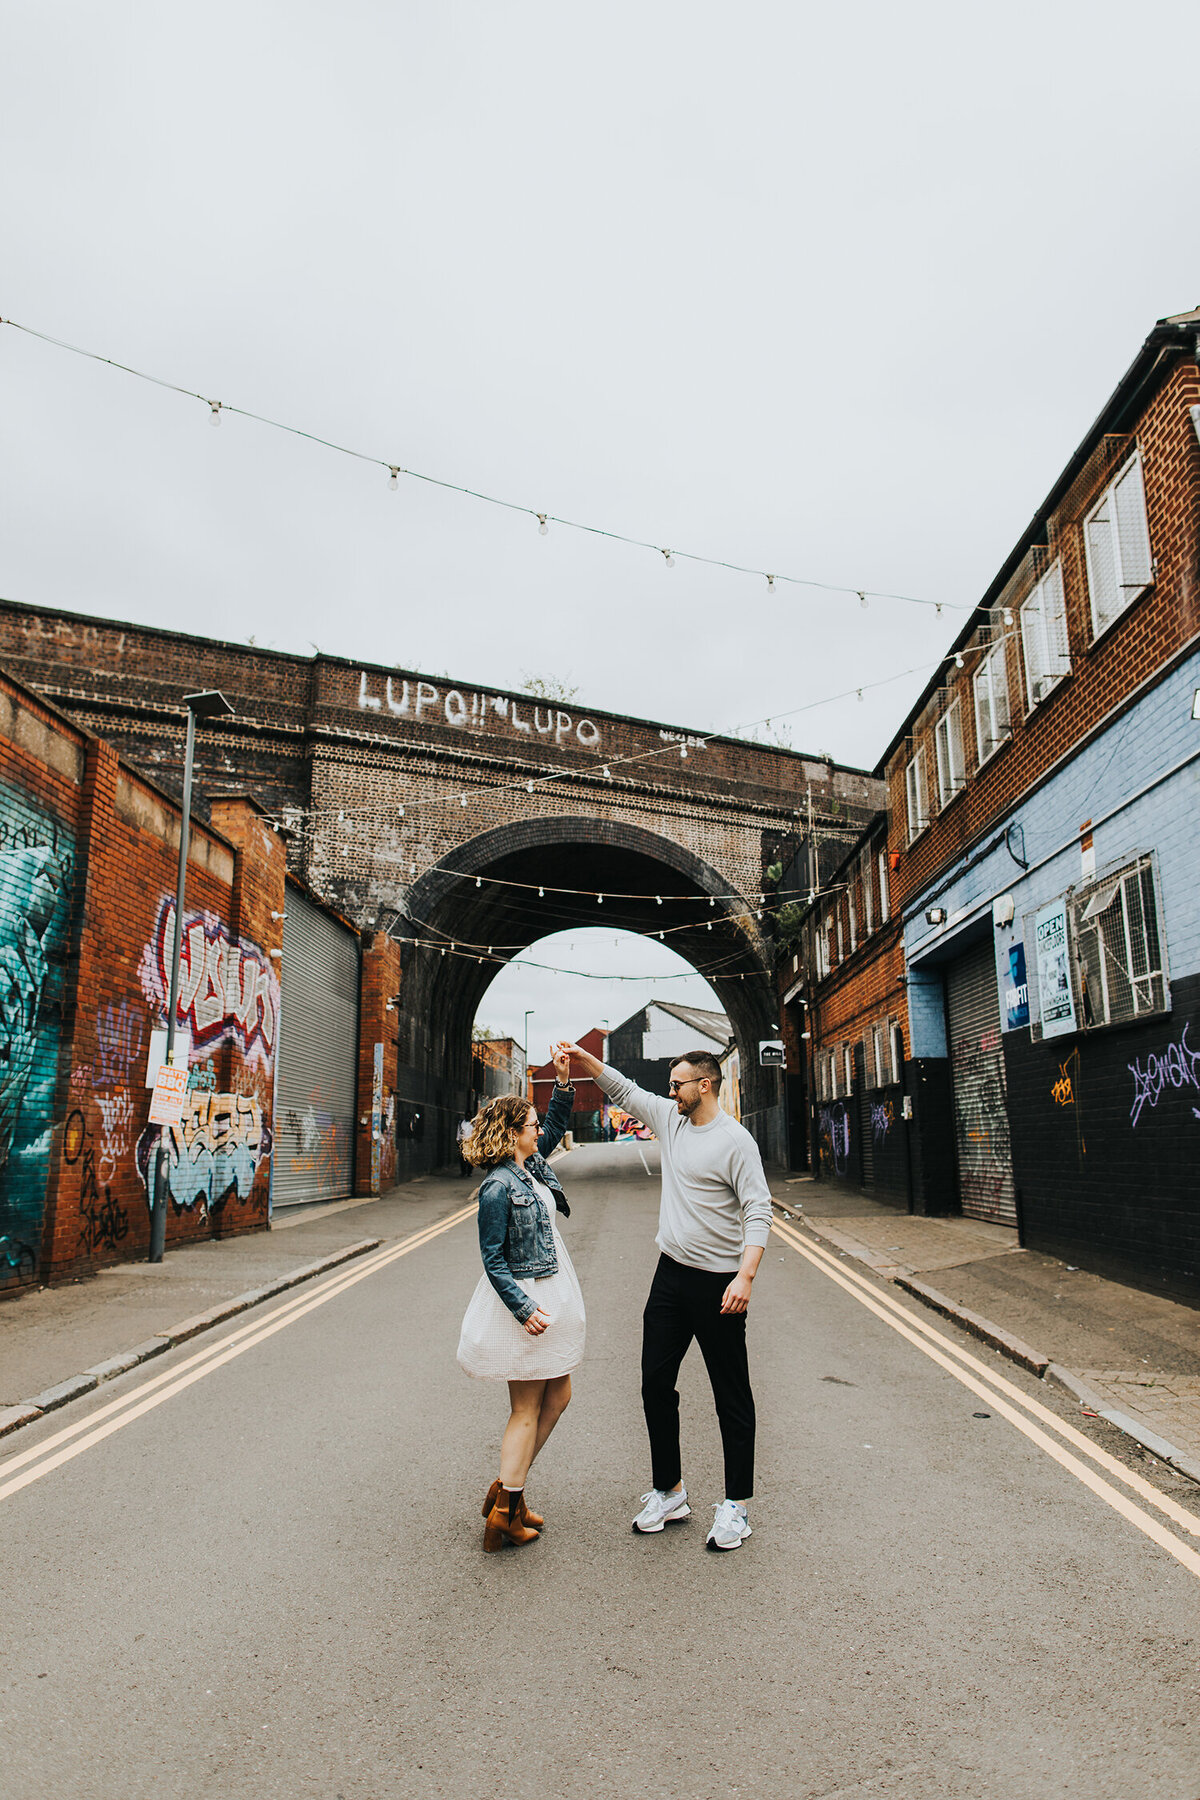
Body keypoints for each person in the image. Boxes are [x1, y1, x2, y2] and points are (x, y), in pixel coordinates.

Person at [559, 1039, 771, 1552]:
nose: (669, 1091)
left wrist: (745, 1277)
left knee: (731, 1396)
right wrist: (583, 1060)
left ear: (705, 1085)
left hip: (719, 1282)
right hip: (670, 1276)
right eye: (670, 1085)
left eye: (678, 1084)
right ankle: (670, 1491)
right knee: (655, 1383)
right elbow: (624, 1091)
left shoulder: (735, 1141)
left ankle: (736, 1506)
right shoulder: (672, 1121)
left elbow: (758, 1210)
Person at [456, 1050, 583, 1552]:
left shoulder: (528, 1168)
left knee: (560, 1395)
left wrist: (564, 1081)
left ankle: (511, 1491)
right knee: (526, 1409)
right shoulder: (497, 1188)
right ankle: (504, 1515)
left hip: (546, 1292)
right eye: (530, 1125)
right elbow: (492, 1259)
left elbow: (554, 1122)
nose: (539, 1131)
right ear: (512, 1134)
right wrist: (524, 1310)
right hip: (524, 1304)